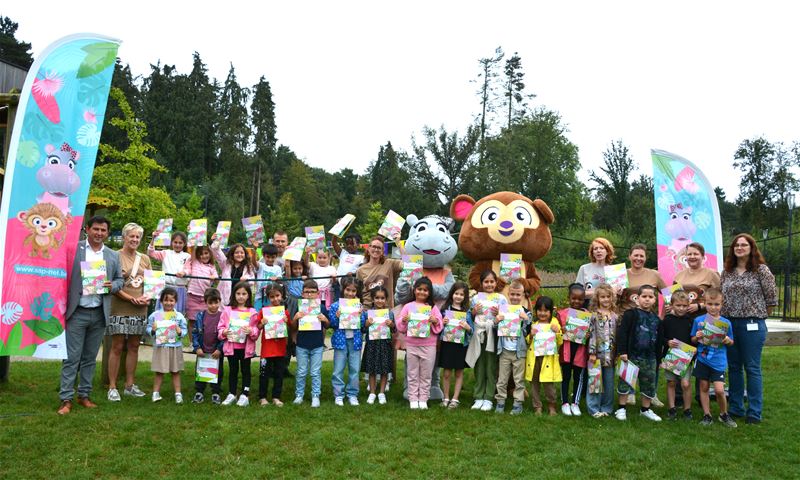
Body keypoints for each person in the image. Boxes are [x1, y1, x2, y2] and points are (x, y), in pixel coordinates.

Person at [58, 216, 124, 415]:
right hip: (77, 312)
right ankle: (66, 399)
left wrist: (112, 286)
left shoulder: (112, 255)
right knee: (71, 358)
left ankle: (84, 395)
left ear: (107, 232)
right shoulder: (73, 249)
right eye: (96, 229)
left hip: (99, 313)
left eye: (103, 230)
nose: (99, 233)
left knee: (89, 358)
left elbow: (120, 280)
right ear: (87, 229)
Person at [720, 233, 777, 424]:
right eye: (736, 245)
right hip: (729, 324)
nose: (740, 248)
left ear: (751, 248)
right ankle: (736, 406)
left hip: (752, 324)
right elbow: (722, 298)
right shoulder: (726, 272)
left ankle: (754, 411)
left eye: (744, 245)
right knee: (734, 367)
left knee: (752, 367)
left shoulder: (761, 270)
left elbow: (771, 300)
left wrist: (757, 315)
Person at [107, 222, 152, 402]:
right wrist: (129, 298)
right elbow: (111, 284)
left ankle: (129, 385)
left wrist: (147, 298)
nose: (134, 239)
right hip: (120, 306)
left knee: (134, 346)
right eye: (131, 236)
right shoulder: (114, 256)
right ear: (124, 237)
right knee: (117, 346)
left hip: (140, 307)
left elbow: (152, 283)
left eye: (137, 237)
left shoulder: (145, 259)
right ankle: (112, 387)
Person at [615, 284, 664, 422]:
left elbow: (659, 341)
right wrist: (622, 351)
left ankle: (645, 409)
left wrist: (659, 360)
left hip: (649, 358)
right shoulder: (630, 314)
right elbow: (622, 333)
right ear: (637, 299)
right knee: (625, 382)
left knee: (648, 384)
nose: (647, 299)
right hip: (631, 355)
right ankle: (621, 408)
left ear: (655, 300)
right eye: (644, 296)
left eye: (650, 297)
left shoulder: (657, 320)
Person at [691, 288, 737, 427]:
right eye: (710, 304)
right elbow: (692, 339)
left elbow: (731, 341)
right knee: (703, 387)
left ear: (722, 304)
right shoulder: (698, 321)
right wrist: (697, 337)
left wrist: (728, 340)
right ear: (705, 303)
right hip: (703, 359)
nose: (713, 307)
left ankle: (724, 414)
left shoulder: (726, 323)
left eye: (716, 304)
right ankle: (707, 415)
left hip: (718, 361)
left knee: (719, 390)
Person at [396, 276, 443, 409]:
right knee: (412, 372)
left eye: (425, 290)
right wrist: (404, 320)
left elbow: (439, 326)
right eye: (419, 289)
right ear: (414, 290)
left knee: (426, 374)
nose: (422, 292)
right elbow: (400, 326)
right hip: (412, 345)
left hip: (429, 345)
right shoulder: (408, 307)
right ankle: (413, 398)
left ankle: (423, 398)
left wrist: (435, 321)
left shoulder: (432, 308)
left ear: (429, 293)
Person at [466, 270, 507, 411]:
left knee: (491, 367)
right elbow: (469, 318)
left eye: (492, 281)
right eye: (486, 282)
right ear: (482, 283)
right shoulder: (476, 298)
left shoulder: (501, 298)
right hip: (479, 335)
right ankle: (478, 397)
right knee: (479, 366)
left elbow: (506, 319)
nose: (489, 284)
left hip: (493, 336)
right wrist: (473, 312)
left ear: (496, 283)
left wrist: (499, 314)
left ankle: (489, 397)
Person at [218, 282, 260, 407]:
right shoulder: (228, 310)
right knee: (233, 370)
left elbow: (256, 331)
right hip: (232, 347)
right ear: (234, 294)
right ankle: (231, 393)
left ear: (248, 296)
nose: (241, 296)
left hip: (246, 348)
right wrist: (224, 332)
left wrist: (251, 331)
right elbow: (220, 328)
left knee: (246, 370)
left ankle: (245, 394)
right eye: (238, 293)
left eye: (244, 294)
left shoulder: (252, 312)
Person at [493, 280, 531, 415]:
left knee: (519, 380)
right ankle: (500, 401)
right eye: (513, 294)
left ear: (523, 296)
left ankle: (517, 403)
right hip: (504, 350)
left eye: (518, 295)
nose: (515, 297)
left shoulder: (526, 312)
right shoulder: (503, 311)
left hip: (519, 352)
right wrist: (496, 321)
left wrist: (526, 320)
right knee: (502, 379)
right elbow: (496, 328)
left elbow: (529, 332)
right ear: (508, 294)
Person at [327, 276, 365, 406]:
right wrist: (337, 317)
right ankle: (338, 394)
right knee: (338, 368)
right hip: (340, 341)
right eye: (348, 290)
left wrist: (360, 316)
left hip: (355, 341)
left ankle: (352, 394)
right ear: (343, 290)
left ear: (357, 292)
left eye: (353, 291)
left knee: (355, 369)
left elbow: (363, 324)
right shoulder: (335, 306)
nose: (350, 293)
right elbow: (331, 324)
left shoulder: (359, 306)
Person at [291, 279, 330, 407]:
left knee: (315, 372)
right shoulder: (299, 307)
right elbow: (293, 327)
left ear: (318, 293)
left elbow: (328, 326)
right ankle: (299, 395)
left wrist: (324, 319)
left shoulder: (322, 307)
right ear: (302, 293)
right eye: (306, 292)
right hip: (302, 344)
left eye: (312, 292)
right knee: (301, 371)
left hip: (317, 345)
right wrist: (295, 318)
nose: (309, 295)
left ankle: (315, 395)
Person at [147, 287, 188, 403]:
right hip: (161, 347)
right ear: (161, 301)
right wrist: (153, 330)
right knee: (159, 371)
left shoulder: (179, 316)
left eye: (171, 300)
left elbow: (184, 330)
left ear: (175, 302)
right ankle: (155, 393)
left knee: (175, 371)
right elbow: (149, 328)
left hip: (175, 347)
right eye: (166, 300)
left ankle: (178, 394)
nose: (168, 303)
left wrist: (181, 332)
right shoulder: (156, 315)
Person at [438, 281, 473, 409]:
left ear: (465, 297)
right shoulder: (444, 310)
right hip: (447, 345)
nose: (458, 296)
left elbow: (471, 331)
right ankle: (446, 397)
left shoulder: (467, 312)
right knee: (446, 373)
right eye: (456, 293)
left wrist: (468, 327)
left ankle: (455, 399)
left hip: (460, 346)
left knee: (459, 373)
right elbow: (438, 329)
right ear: (452, 294)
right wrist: (442, 323)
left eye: (461, 294)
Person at [661, 290, 694, 420]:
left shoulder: (691, 321)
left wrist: (694, 351)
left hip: (686, 358)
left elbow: (693, 340)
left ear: (688, 305)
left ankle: (687, 409)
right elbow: (660, 338)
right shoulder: (666, 320)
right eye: (678, 305)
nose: (681, 308)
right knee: (671, 382)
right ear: (672, 305)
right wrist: (667, 342)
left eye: (684, 306)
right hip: (670, 356)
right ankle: (672, 408)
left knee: (685, 383)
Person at [586, 284, 618, 418]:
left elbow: (617, 336)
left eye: (608, 297)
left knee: (609, 383)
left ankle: (607, 407)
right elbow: (591, 335)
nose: (605, 300)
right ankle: (594, 409)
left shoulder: (615, 316)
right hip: (596, 355)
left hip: (610, 356)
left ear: (612, 298)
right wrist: (592, 353)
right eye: (602, 297)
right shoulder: (593, 316)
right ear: (597, 298)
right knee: (595, 382)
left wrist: (617, 354)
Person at [256, 283, 290, 407]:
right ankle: (262, 397)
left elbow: (290, 326)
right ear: (268, 298)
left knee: (279, 374)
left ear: (281, 296)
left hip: (280, 349)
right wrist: (262, 323)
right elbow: (258, 327)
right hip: (267, 349)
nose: (275, 299)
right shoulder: (263, 312)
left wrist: (287, 321)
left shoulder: (285, 312)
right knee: (264, 374)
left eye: (277, 295)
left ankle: (276, 397)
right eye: (272, 297)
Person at [361, 286, 396, 405]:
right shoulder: (367, 314)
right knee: (371, 370)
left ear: (386, 299)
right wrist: (366, 324)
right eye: (377, 298)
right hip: (372, 344)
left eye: (382, 298)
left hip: (385, 345)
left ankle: (381, 393)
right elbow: (363, 329)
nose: (379, 300)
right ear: (372, 299)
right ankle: (372, 392)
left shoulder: (389, 313)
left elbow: (394, 329)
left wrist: (391, 325)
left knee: (384, 370)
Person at [559, 283, 588, 416]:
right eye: (573, 298)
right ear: (568, 298)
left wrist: (588, 333)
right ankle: (565, 402)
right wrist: (562, 330)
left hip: (580, 352)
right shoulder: (562, 314)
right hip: (566, 351)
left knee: (578, 378)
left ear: (584, 300)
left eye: (580, 299)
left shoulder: (587, 316)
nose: (576, 301)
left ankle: (575, 403)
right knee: (565, 377)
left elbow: (592, 334)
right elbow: (557, 333)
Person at [191, 288, 224, 404]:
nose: (213, 305)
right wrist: (197, 348)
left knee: (217, 373)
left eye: (216, 302)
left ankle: (216, 393)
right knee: (201, 372)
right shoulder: (200, 316)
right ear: (206, 302)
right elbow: (194, 333)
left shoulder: (223, 316)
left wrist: (220, 349)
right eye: (210, 303)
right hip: (203, 351)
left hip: (216, 352)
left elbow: (225, 335)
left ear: (220, 302)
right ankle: (199, 392)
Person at [147, 230, 190, 315]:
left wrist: (184, 273)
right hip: (166, 287)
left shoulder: (187, 256)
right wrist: (153, 239)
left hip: (180, 289)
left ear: (184, 244)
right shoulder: (165, 253)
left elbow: (189, 269)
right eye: (175, 242)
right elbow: (150, 253)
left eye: (180, 243)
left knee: (177, 315)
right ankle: (158, 327)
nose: (177, 245)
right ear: (171, 242)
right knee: (161, 313)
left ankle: (176, 328)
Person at [673, 242, 721, 317]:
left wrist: (700, 306)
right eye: (689, 254)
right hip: (681, 319)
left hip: (705, 319)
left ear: (702, 256)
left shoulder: (712, 274)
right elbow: (672, 297)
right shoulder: (678, 276)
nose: (692, 256)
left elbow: (720, 298)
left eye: (696, 254)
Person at [356, 236, 403, 309]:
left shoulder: (390, 263)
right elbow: (358, 293)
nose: (376, 249)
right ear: (368, 249)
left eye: (379, 248)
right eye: (374, 246)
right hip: (368, 309)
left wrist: (398, 243)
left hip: (387, 310)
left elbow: (409, 263)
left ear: (382, 251)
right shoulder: (360, 270)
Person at [620, 244, 667, 312]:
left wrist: (662, 316)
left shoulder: (654, 274)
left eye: (641, 256)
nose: (638, 258)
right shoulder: (621, 274)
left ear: (645, 258)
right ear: (629, 256)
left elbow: (669, 295)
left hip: (648, 320)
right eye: (636, 255)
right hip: (625, 319)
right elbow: (611, 299)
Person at [210, 240, 257, 306]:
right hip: (226, 296)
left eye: (242, 253)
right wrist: (216, 241)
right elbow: (217, 253)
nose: (239, 254)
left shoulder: (248, 267)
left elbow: (252, 279)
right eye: (236, 252)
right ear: (232, 254)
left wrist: (246, 279)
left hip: (240, 297)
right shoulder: (226, 264)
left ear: (245, 254)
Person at [180, 245, 219, 324]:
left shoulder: (211, 266)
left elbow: (216, 276)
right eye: (201, 254)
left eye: (206, 253)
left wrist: (213, 277)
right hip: (193, 296)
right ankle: (192, 337)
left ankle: (201, 336)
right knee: (192, 320)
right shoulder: (195, 262)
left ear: (210, 254)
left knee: (203, 320)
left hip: (204, 297)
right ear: (198, 255)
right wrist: (196, 242)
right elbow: (193, 252)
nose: (204, 256)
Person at [309, 249, 338, 316]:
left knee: (326, 311)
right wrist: (308, 253)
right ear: (316, 257)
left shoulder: (332, 268)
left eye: (324, 258)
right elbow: (306, 263)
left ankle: (326, 323)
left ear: (329, 258)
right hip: (315, 294)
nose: (322, 260)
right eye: (320, 257)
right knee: (315, 311)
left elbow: (334, 282)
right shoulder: (314, 266)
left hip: (327, 295)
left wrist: (334, 278)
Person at [255, 243, 282, 310]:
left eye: (272, 257)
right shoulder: (261, 265)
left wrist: (277, 278)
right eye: (268, 257)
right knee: (258, 315)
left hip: (272, 297)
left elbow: (280, 279)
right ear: (263, 256)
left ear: (276, 256)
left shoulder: (277, 268)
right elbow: (253, 262)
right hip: (260, 296)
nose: (270, 259)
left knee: (271, 315)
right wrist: (254, 249)